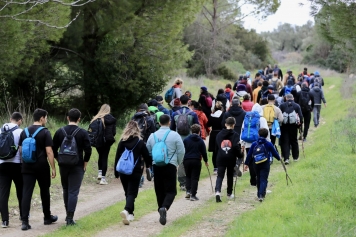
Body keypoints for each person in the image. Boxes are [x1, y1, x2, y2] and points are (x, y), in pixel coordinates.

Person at [18, 109, 57, 231]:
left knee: (26, 193)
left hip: (27, 166)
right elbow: (49, 151)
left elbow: (20, 150)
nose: (46, 120)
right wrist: (53, 168)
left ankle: (24, 221)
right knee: (44, 191)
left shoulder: (24, 131)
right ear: (41, 118)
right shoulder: (45, 132)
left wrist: (24, 163)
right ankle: (47, 217)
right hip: (41, 166)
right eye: (46, 117)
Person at [52, 108, 92, 226]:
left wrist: (59, 159)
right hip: (77, 165)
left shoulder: (60, 131)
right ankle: (70, 218)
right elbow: (88, 150)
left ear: (67, 118)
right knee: (73, 191)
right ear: (79, 119)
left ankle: (67, 214)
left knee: (66, 189)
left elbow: (53, 148)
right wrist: (85, 163)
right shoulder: (83, 132)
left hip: (63, 165)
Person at [146, 115, 185, 225]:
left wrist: (153, 160)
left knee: (159, 189)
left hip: (156, 165)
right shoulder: (174, 135)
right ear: (169, 122)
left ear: (159, 122)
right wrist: (177, 162)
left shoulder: (152, 136)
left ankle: (160, 209)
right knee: (171, 190)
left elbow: (148, 151)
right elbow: (181, 150)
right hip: (170, 165)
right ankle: (164, 208)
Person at [114, 121, 151, 225]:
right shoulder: (140, 142)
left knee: (128, 192)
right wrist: (149, 166)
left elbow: (117, 157)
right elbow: (147, 156)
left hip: (122, 171)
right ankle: (126, 210)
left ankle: (130, 214)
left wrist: (116, 172)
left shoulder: (122, 141)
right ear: (137, 129)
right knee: (132, 193)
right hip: (135, 171)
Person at [244, 128, 281, 202]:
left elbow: (249, 154)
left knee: (258, 178)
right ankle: (261, 195)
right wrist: (279, 159)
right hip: (265, 163)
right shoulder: (268, 144)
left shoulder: (254, 144)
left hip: (256, 163)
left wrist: (246, 163)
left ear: (258, 134)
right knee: (264, 179)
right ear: (267, 135)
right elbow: (274, 153)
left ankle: (259, 194)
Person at [171, 95, 199, 191]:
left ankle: (182, 182)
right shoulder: (193, 114)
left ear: (180, 102)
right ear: (188, 102)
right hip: (190, 139)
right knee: (190, 158)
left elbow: (172, 128)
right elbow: (197, 128)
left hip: (178, 139)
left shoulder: (175, 114)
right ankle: (189, 180)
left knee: (181, 161)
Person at [0, 112, 23, 228]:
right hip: (16, 164)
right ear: (20, 120)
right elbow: (21, 150)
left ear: (10, 119)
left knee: (3, 193)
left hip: (2, 165)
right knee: (20, 190)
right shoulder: (20, 131)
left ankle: (4, 220)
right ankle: (23, 216)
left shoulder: (1, 130)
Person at [240, 103, 270, 187]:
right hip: (260, 143)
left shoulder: (247, 118)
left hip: (248, 143)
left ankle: (253, 180)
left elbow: (243, 130)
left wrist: (242, 142)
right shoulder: (262, 119)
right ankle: (258, 178)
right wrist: (268, 141)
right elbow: (266, 131)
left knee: (250, 161)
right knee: (259, 160)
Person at [215, 117, 244, 202]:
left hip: (220, 157)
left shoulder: (219, 134)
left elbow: (216, 147)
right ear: (234, 125)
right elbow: (236, 147)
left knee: (220, 175)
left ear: (225, 124)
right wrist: (240, 155)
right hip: (231, 158)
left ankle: (217, 192)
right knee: (230, 175)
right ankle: (229, 193)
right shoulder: (235, 135)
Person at [91, 104, 117, 185]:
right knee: (104, 157)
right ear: (109, 110)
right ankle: (103, 178)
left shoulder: (96, 119)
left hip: (98, 141)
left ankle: (99, 172)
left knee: (100, 156)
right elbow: (114, 132)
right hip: (107, 141)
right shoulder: (112, 119)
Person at [132, 103, 156, 187]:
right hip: (146, 142)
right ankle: (148, 169)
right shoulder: (149, 118)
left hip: (135, 141)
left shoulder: (134, 117)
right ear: (147, 109)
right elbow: (153, 132)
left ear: (139, 109)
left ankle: (139, 178)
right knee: (146, 158)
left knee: (137, 160)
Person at [183, 124, 208, 201]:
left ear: (191, 131)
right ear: (199, 131)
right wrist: (206, 161)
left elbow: (182, 150)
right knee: (195, 178)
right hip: (196, 160)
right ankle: (193, 195)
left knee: (188, 176)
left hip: (186, 160)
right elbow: (204, 152)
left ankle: (188, 191)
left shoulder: (186, 140)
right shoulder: (200, 140)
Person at [279, 94, 303, 164]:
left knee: (285, 141)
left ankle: (286, 158)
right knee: (294, 141)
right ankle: (295, 157)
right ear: (293, 98)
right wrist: (300, 125)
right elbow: (300, 116)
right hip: (293, 126)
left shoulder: (282, 105)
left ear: (286, 98)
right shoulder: (297, 106)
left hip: (284, 126)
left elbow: (279, 116)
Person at [207, 101, 225, 175]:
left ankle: (215, 167)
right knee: (222, 150)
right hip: (221, 133)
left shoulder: (212, 115)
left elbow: (208, 124)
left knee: (214, 151)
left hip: (214, 133)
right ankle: (221, 166)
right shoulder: (223, 115)